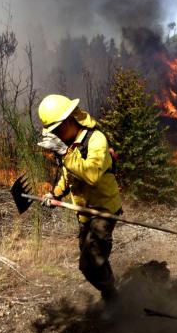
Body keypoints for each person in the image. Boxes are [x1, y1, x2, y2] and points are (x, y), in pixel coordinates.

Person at [36, 94, 122, 303]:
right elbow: (69, 176)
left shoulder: (96, 140)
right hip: (85, 213)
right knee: (92, 255)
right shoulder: (71, 145)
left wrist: (65, 153)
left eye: (57, 130)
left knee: (89, 263)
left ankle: (112, 297)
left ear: (68, 121)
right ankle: (109, 288)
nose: (56, 135)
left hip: (103, 209)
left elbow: (91, 175)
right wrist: (54, 194)